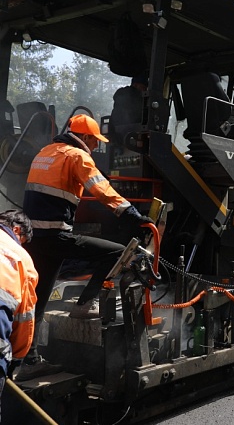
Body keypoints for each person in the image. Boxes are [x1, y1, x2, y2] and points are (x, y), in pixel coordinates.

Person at [16, 114, 152, 381]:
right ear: (87, 137)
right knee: (114, 252)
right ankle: (84, 305)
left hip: (33, 237)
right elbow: (101, 189)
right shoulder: (78, 156)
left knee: (38, 298)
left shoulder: (45, 152)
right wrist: (133, 216)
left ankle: (29, 360)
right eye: (95, 141)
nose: (96, 146)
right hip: (56, 234)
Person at [0, 210, 37, 419]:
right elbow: (25, 318)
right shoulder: (20, 256)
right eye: (22, 240)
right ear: (16, 230)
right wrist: (16, 361)